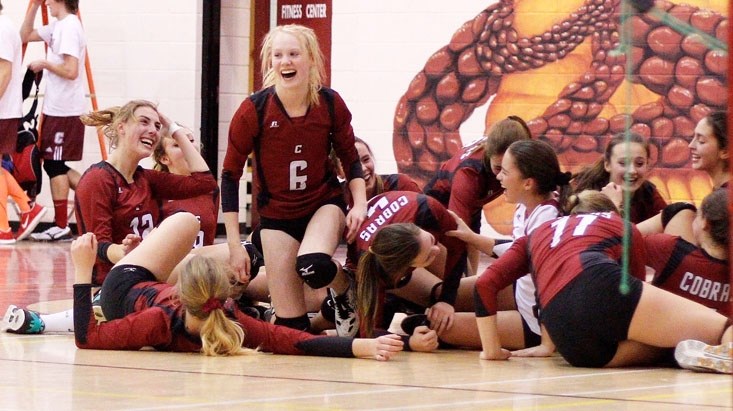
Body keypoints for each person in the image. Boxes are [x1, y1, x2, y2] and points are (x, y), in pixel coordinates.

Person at [1, 100, 217, 334]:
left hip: (151, 272)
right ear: (121, 127)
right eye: (143, 122)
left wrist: (173, 127)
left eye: (157, 125)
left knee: (238, 256)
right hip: (118, 280)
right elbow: (98, 245)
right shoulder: (98, 179)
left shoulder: (146, 178)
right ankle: (67, 316)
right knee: (199, 249)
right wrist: (124, 252)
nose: (153, 130)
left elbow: (205, 182)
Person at [70, 212, 403, 360]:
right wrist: (361, 347)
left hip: (124, 288)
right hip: (155, 291)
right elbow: (293, 341)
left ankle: (248, 252)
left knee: (186, 221)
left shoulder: (156, 322)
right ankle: (249, 252)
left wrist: (82, 273)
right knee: (194, 232)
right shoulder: (230, 317)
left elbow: (88, 338)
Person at [474, 190, 732, 372]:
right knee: (719, 328)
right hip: (599, 284)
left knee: (666, 345)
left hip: (574, 346)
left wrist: (492, 350)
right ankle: (719, 345)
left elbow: (485, 284)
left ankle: (699, 351)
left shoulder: (536, 234)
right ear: (610, 211)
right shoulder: (619, 224)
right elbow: (630, 285)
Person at [221, 24, 367, 334]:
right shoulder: (254, 110)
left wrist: (359, 204)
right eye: (278, 55)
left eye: (293, 54)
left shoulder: (329, 103)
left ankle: (345, 288)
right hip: (276, 218)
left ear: (311, 59)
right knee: (292, 326)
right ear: (270, 63)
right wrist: (235, 245)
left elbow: (350, 158)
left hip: (322, 205)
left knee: (312, 264)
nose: (285, 61)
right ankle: (295, 316)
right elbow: (229, 177)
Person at [423, 116, 531, 275]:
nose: (503, 175)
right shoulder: (468, 176)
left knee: (472, 249)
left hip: (473, 205)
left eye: (510, 169)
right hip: (438, 211)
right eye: (499, 168)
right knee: (456, 274)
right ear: (489, 155)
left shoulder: (525, 156)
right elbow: (457, 233)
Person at [21, 0, 87, 241]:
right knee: (51, 164)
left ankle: (62, 225)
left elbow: (71, 71)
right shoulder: (58, 26)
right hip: (55, 107)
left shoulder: (70, 26)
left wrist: (45, 63)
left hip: (66, 109)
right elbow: (24, 34)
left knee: (55, 165)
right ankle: (96, 194)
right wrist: (35, 7)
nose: (47, 2)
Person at [637, 111, 729, 238]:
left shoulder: (726, 198)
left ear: (725, 151)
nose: (691, 145)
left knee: (679, 211)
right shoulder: (720, 193)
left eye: (701, 141)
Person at [0, 1, 46, 244]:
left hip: (3, 112)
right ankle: (27, 209)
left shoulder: (1, 28)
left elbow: (5, 71)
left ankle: (6, 227)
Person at [644, 189, 729, 316]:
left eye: (697, 216)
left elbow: (619, 240)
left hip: (656, 333)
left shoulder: (670, 248)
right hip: (710, 335)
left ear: (705, 223)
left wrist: (616, 205)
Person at [572, 132, 667, 224]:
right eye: (623, 163)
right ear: (607, 165)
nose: (632, 171)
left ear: (647, 165)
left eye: (639, 164)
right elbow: (598, 235)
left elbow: (670, 218)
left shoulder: (648, 191)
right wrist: (612, 205)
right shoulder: (585, 191)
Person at [152, 127, 219, 248]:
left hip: (201, 264)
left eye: (191, 141)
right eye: (178, 144)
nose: (189, 147)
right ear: (164, 158)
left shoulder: (210, 189)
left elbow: (210, 238)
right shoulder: (156, 190)